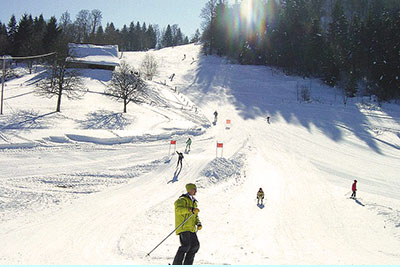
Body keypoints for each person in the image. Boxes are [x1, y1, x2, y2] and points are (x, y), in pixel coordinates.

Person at [172, 183, 202, 265]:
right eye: (194, 189)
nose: (195, 191)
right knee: (186, 246)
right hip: (183, 226)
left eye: (196, 189)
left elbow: (195, 215)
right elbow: (178, 210)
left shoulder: (194, 202)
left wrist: (198, 223)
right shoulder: (182, 200)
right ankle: (176, 264)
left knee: (195, 246)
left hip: (191, 228)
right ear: (189, 189)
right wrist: (190, 209)